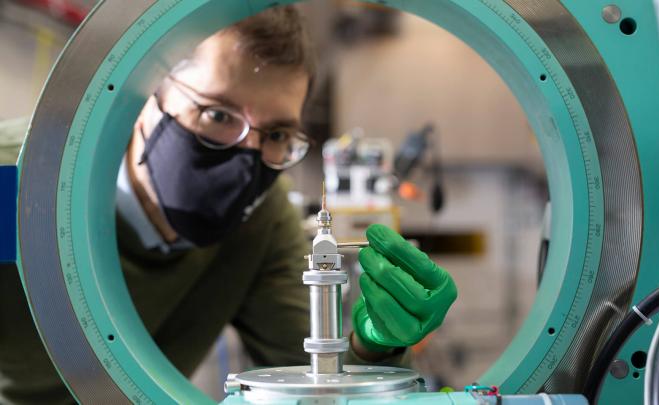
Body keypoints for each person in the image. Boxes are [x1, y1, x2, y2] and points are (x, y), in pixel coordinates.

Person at [0, 6, 457, 404]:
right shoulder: (17, 185)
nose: (245, 159)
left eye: (276, 135)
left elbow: (317, 382)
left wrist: (373, 345)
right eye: (218, 116)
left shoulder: (261, 220)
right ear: (144, 93)